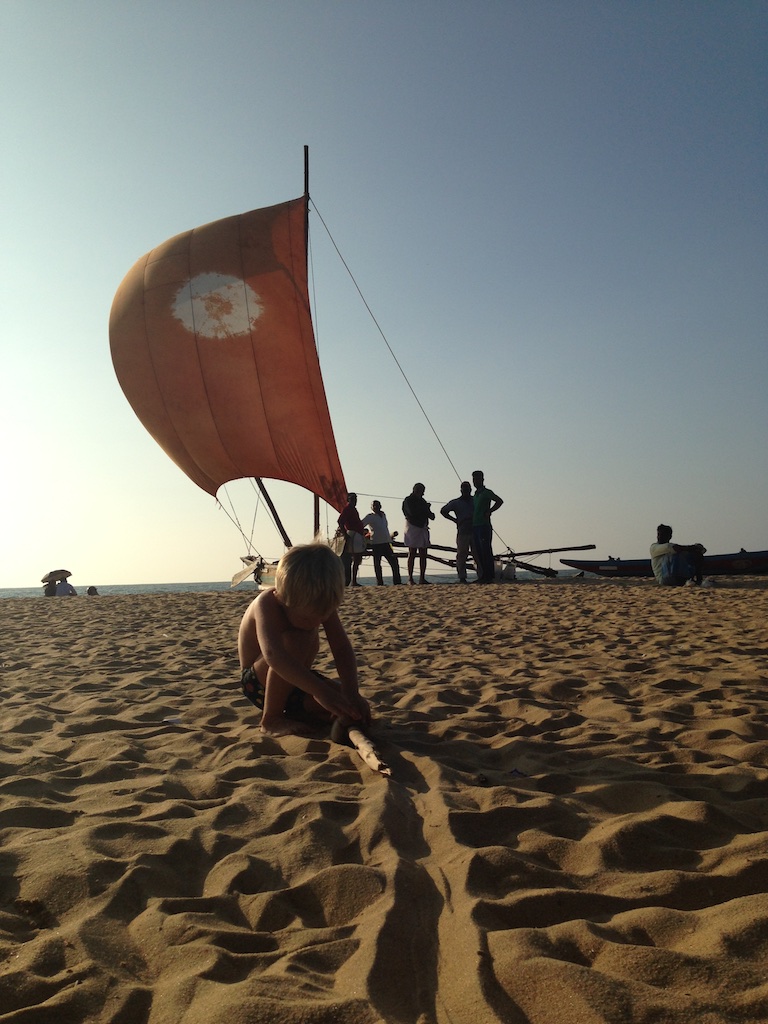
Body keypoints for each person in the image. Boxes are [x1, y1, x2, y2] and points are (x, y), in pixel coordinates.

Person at [238, 541, 370, 738]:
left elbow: (341, 648)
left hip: (296, 680)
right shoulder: (267, 604)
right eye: (309, 617)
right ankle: (271, 719)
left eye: (323, 616)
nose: (317, 621)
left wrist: (351, 692)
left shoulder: (321, 602)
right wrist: (320, 691)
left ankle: (301, 713)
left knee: (352, 709)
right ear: (283, 598)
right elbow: (274, 655)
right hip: (258, 684)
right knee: (300, 639)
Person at [471, 470, 503, 583]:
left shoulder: (487, 492)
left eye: (478, 479)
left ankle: (489, 575)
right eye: (474, 479)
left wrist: (490, 511)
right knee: (478, 552)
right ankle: (483, 575)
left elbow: (499, 501)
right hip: (475, 525)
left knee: (486, 551)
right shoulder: (475, 495)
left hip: (484, 525)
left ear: (482, 479)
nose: (476, 481)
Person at [440, 482, 476, 583]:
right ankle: (462, 576)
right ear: (461, 490)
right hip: (463, 530)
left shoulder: (474, 500)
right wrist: (455, 520)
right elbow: (443, 511)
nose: (466, 491)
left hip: (475, 530)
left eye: (468, 489)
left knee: (477, 554)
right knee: (462, 554)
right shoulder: (456, 502)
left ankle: (481, 574)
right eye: (464, 489)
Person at [361, 500, 402, 585]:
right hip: (376, 543)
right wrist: (364, 536)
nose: (376, 507)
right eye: (374, 506)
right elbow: (361, 525)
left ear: (380, 506)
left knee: (394, 562)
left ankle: (397, 582)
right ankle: (380, 582)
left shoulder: (383, 515)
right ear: (371, 507)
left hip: (386, 542)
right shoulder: (370, 516)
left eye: (377, 505)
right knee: (377, 564)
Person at [402, 482, 435, 584]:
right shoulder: (408, 500)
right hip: (413, 527)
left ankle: (422, 578)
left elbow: (431, 515)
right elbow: (412, 513)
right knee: (412, 552)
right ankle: (410, 578)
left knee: (423, 553)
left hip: (422, 527)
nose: (423, 494)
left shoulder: (422, 501)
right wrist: (425, 509)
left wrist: (428, 511)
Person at [337, 492, 367, 587]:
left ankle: (353, 580)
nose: (355, 501)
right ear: (348, 499)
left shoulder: (352, 509)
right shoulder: (347, 509)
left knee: (357, 558)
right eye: (353, 499)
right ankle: (352, 581)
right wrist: (345, 534)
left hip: (357, 534)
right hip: (353, 534)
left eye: (355, 499)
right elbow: (340, 521)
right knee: (355, 557)